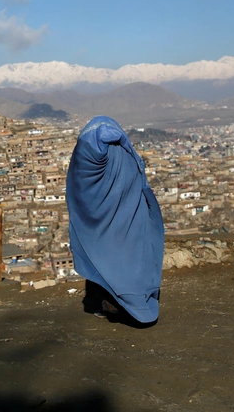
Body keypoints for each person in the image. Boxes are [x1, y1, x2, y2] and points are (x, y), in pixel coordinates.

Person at [67, 116, 164, 324]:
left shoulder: (87, 155)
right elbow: (138, 179)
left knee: (106, 262)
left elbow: (80, 186)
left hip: (101, 225)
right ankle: (137, 302)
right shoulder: (124, 154)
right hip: (129, 215)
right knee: (130, 259)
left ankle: (116, 305)